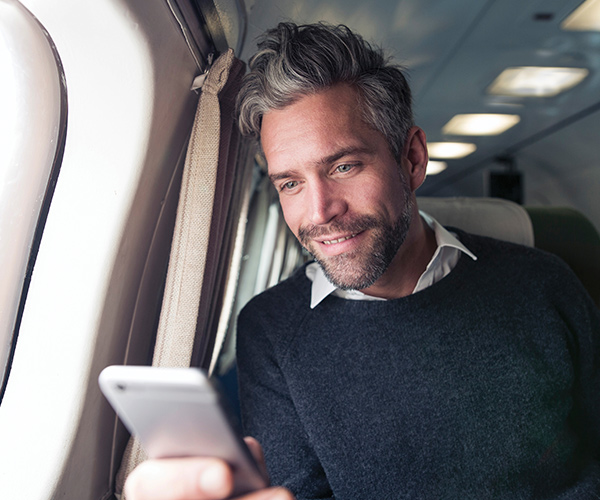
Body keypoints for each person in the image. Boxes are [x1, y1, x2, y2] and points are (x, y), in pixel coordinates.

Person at [125, 22, 600, 500]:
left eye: (344, 167)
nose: (320, 212)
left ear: (412, 159)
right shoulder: (270, 329)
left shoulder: (542, 283)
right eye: (290, 183)